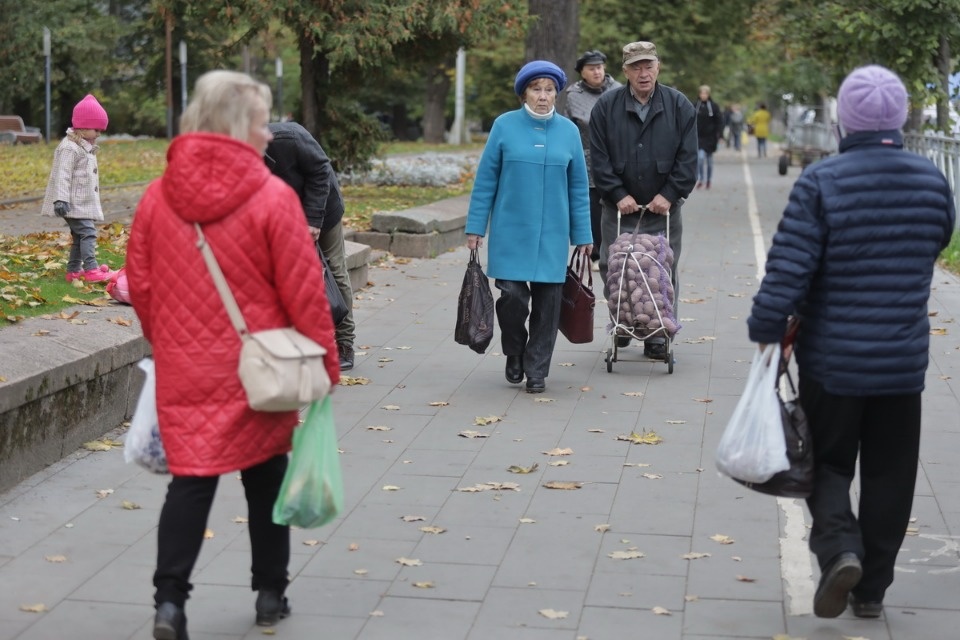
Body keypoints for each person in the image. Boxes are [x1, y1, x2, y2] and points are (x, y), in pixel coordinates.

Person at [126, 70, 341, 640]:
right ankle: (270, 593)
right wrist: (327, 363)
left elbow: (141, 288)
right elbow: (304, 293)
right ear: (236, 125)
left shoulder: (155, 197)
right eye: (260, 123)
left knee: (190, 482)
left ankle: (169, 603)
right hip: (259, 369)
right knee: (266, 478)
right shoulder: (272, 197)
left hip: (185, 369)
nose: (270, 135)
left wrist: (170, 344)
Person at [746, 65, 955, 620]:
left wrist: (767, 328)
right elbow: (939, 239)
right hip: (902, 362)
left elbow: (788, 270)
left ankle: (840, 549)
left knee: (830, 464)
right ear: (902, 116)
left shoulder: (822, 182)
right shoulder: (933, 180)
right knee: (892, 472)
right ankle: (872, 590)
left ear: (845, 119)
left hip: (833, 362)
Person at [465, 60, 592, 394]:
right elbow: (485, 181)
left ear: (557, 94)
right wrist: (475, 228)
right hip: (510, 231)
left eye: (549, 90)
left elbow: (579, 187)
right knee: (512, 297)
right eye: (536, 89)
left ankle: (537, 370)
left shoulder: (569, 132)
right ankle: (514, 350)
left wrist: (583, 235)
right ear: (524, 93)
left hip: (552, 235)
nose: (543, 96)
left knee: (548, 304)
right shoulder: (504, 126)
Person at [588, 41, 697, 360]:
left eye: (648, 65)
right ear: (625, 71)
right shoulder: (606, 107)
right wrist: (618, 194)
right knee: (613, 266)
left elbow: (689, 158)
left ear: (658, 67)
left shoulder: (679, 106)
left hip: (664, 208)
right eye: (636, 67)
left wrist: (671, 193)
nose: (643, 73)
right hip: (619, 208)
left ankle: (657, 334)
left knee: (662, 268)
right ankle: (621, 323)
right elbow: (599, 158)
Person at [265, 122, 356, 370]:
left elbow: (321, 171)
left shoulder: (288, 138)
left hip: (322, 209)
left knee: (334, 271)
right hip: (284, 219)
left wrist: (313, 220)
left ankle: (345, 342)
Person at [41, 94, 117, 283]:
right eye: (96, 129)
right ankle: (91, 269)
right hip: (70, 203)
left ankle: (74, 271)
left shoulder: (85, 146)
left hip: (80, 202)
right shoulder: (69, 148)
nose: (99, 134)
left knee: (78, 235)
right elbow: (62, 175)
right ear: (82, 126)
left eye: (101, 130)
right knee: (88, 233)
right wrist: (61, 199)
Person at [557, 50, 622, 269]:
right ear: (582, 72)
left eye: (600, 67)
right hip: (586, 158)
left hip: (616, 157)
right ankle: (595, 253)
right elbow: (568, 126)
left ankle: (618, 249)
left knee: (615, 203)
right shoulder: (573, 95)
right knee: (593, 207)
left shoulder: (618, 90)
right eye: (591, 68)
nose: (597, 71)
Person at [694, 85, 724, 189]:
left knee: (709, 161)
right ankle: (701, 179)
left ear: (708, 94)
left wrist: (720, 135)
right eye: (701, 93)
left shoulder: (714, 107)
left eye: (705, 93)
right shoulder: (695, 106)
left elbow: (719, 122)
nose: (703, 95)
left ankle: (708, 180)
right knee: (700, 159)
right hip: (698, 137)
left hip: (711, 138)